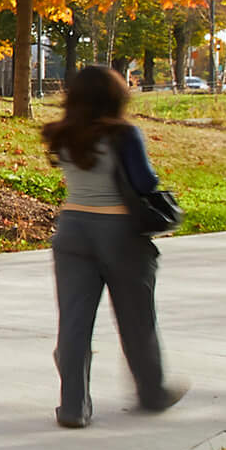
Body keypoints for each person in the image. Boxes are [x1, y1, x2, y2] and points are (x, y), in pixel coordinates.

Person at [43, 64, 188, 428]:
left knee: (74, 324)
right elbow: (144, 181)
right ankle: (152, 392)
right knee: (136, 319)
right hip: (119, 230)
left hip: (72, 229)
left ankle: (73, 406)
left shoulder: (61, 135)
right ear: (115, 97)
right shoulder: (124, 135)